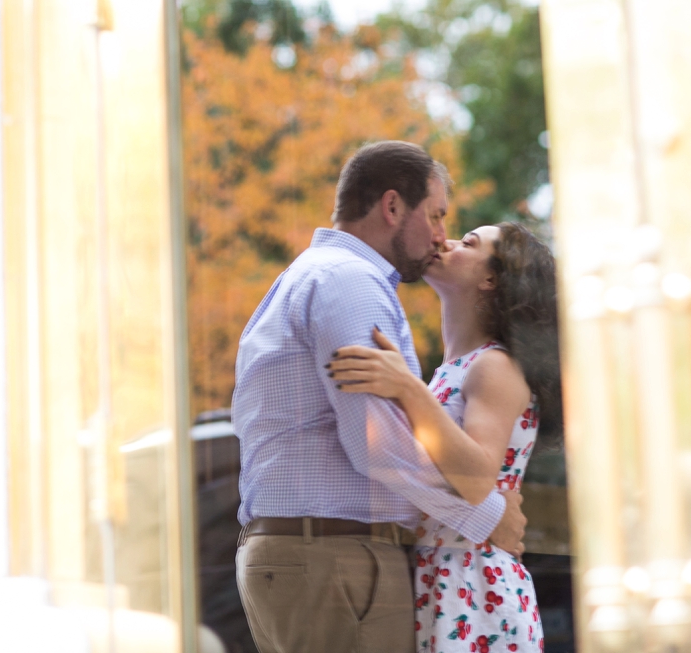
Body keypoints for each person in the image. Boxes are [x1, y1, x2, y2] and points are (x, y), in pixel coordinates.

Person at [231, 141, 527, 653]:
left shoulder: (309, 275)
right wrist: (487, 515)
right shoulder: (351, 282)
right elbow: (377, 443)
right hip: (334, 556)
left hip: (312, 554)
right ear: (392, 207)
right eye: (435, 216)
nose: (441, 236)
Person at [327, 222, 562, 652]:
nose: (445, 242)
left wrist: (408, 388)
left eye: (467, 243)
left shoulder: (494, 366)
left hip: (473, 581)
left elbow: (476, 476)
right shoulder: (457, 367)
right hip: (443, 572)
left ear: (492, 278)